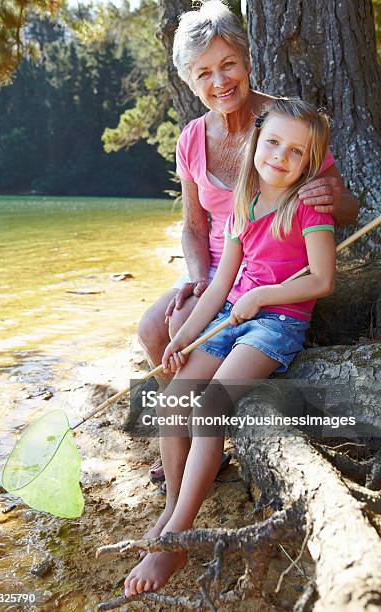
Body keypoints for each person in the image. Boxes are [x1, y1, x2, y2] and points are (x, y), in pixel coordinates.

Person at [140, 0, 358, 485]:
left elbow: (344, 210)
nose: (219, 82)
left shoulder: (283, 124)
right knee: (154, 328)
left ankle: (204, 433)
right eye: (204, 74)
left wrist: (334, 196)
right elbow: (194, 227)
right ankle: (195, 446)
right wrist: (198, 278)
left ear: (246, 58)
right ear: (190, 82)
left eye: (228, 64)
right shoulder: (193, 138)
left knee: (183, 330)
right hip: (217, 268)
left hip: (270, 270)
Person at [124, 97, 336, 595]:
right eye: (273, 142)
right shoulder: (243, 204)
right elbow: (219, 286)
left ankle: (176, 538)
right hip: (229, 317)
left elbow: (322, 279)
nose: (281, 156)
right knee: (175, 399)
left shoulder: (307, 208)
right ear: (256, 142)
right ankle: (174, 511)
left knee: (210, 407)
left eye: (296, 152)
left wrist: (263, 295)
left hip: (274, 324)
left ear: (310, 162)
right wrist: (182, 337)